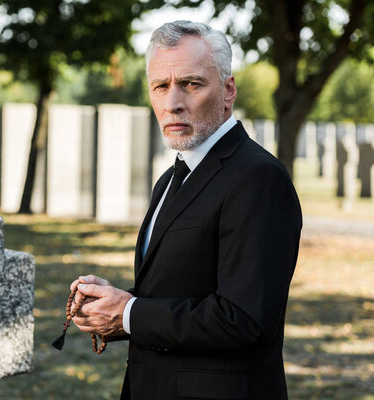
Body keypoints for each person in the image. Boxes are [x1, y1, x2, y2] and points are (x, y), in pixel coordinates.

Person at [70, 20, 302, 400]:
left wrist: (129, 314)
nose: (172, 102)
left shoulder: (259, 178)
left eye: (191, 84)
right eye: (160, 86)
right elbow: (179, 291)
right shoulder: (170, 178)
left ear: (228, 91)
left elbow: (244, 320)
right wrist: (112, 307)